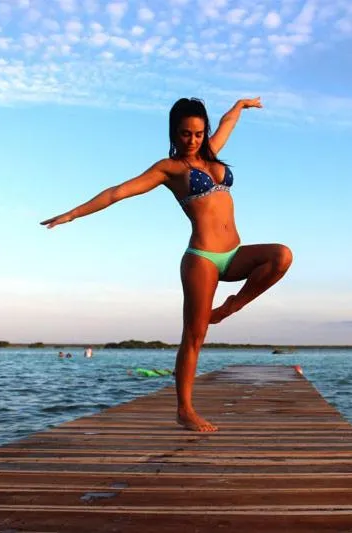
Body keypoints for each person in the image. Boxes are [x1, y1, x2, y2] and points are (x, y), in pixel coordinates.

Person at [41, 97, 293, 432]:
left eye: (198, 133)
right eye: (185, 134)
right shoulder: (168, 169)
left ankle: (231, 306)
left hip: (234, 254)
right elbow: (118, 192)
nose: (193, 140)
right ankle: (184, 410)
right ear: (174, 133)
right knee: (194, 335)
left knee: (281, 256)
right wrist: (73, 213)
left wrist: (240, 105)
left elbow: (227, 123)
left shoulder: (211, 152)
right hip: (202, 259)